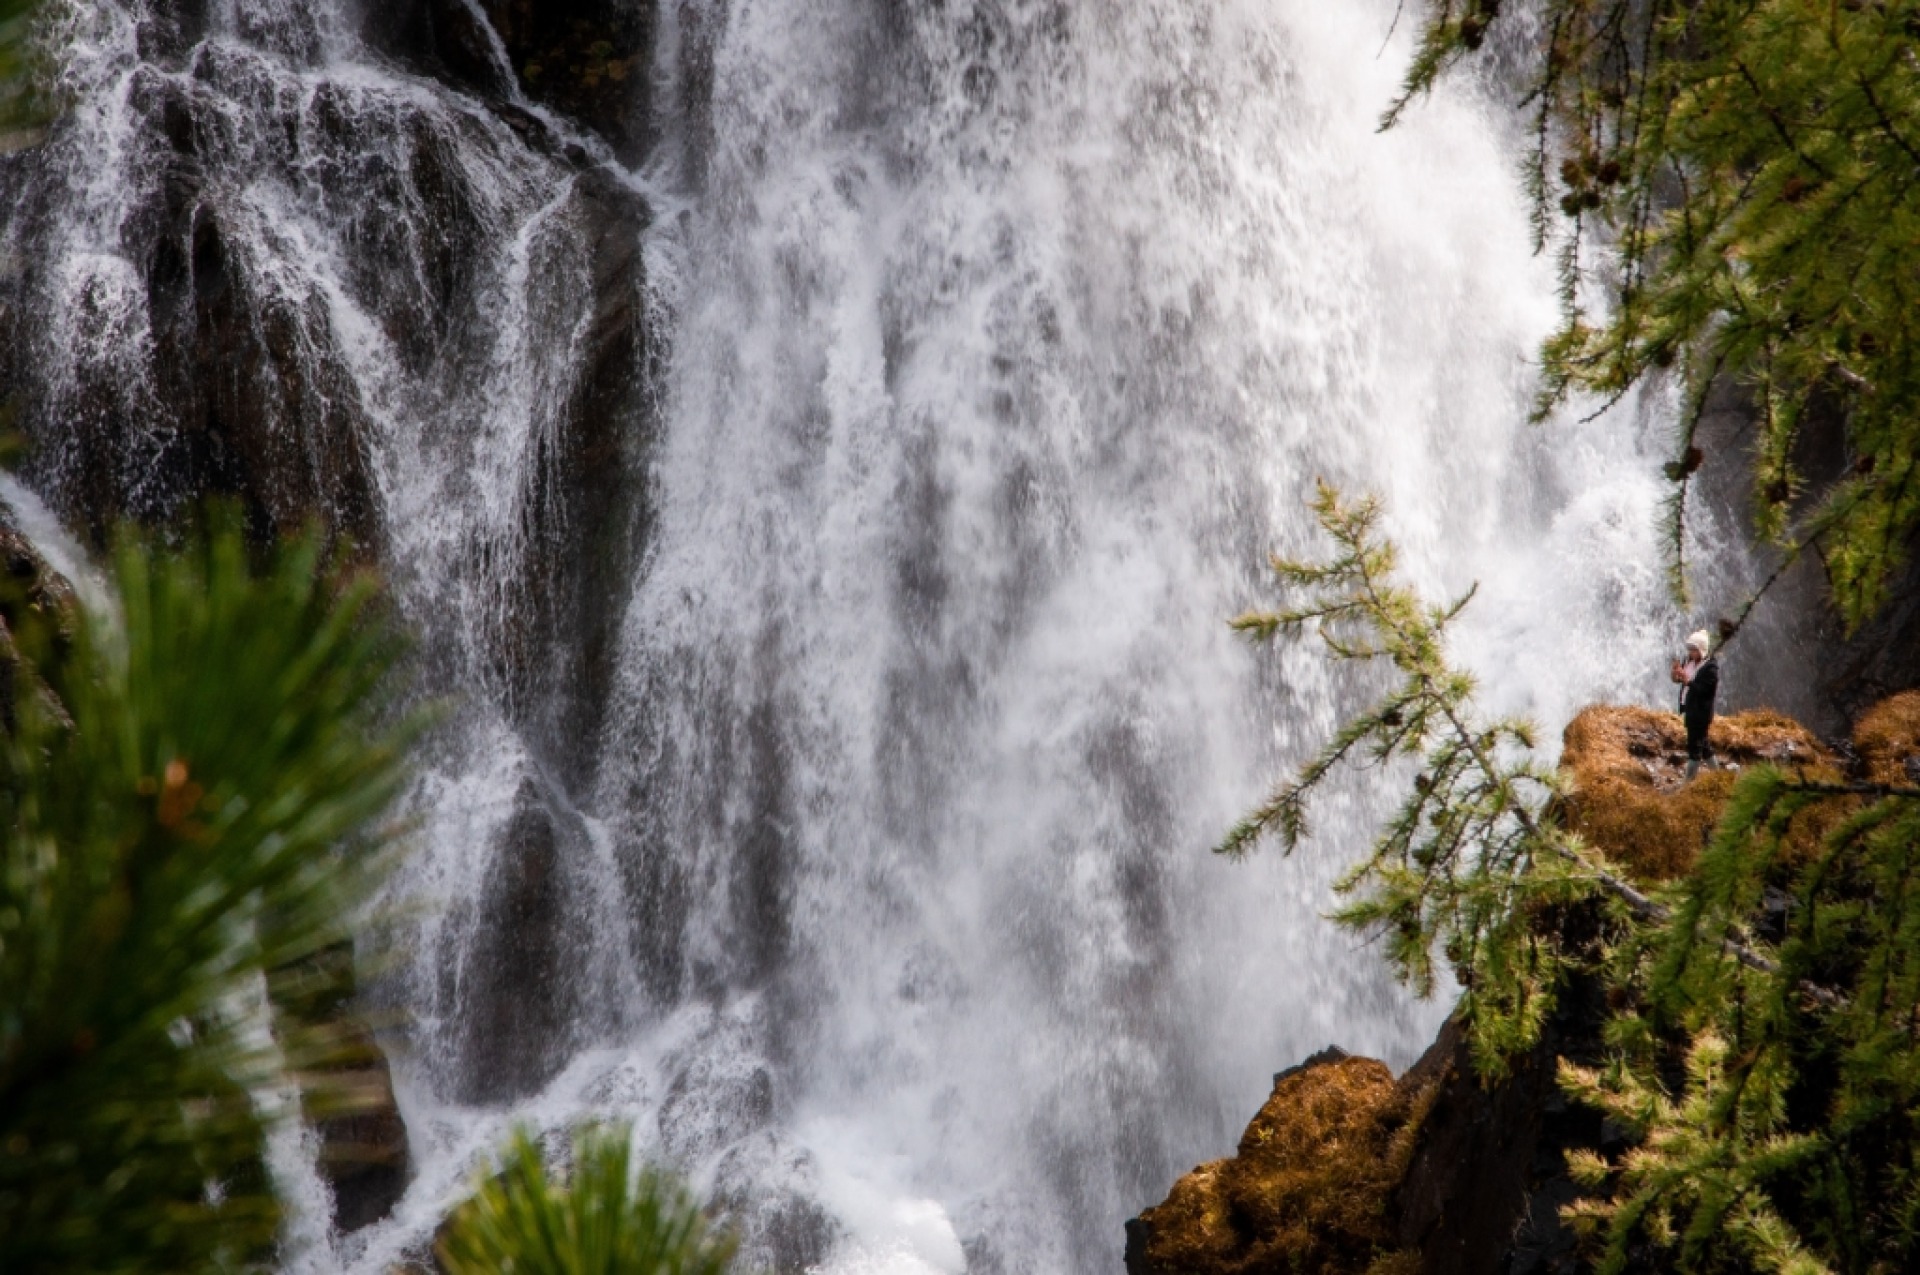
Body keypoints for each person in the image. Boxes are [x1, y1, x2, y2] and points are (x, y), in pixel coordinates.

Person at [1669, 629, 1720, 779]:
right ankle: (1719, 775)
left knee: (1694, 747)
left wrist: (1688, 681)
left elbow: (1704, 691)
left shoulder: (1711, 668)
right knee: (1704, 746)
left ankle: (1688, 783)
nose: (1691, 653)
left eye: (1694, 650)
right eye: (1690, 649)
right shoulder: (1689, 661)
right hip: (1690, 709)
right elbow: (1680, 680)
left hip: (1701, 713)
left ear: (1702, 650)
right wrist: (1676, 674)